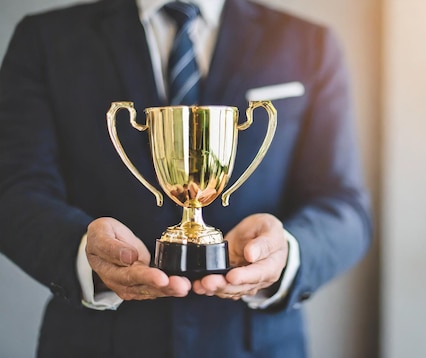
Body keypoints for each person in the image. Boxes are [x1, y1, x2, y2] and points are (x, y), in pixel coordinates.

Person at [0, 0, 372, 356]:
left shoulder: (310, 44)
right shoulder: (46, 40)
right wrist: (84, 251)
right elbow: (13, 190)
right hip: (95, 345)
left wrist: (285, 254)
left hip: (255, 346)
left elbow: (344, 206)